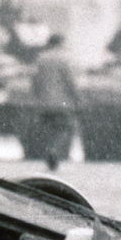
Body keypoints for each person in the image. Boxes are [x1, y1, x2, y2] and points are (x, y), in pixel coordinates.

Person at [29, 33, 78, 171]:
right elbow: (70, 81)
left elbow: (35, 80)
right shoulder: (64, 58)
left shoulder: (41, 59)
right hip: (62, 102)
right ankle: (54, 150)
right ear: (60, 43)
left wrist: (37, 97)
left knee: (48, 128)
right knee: (65, 128)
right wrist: (77, 97)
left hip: (44, 102)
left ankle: (49, 151)